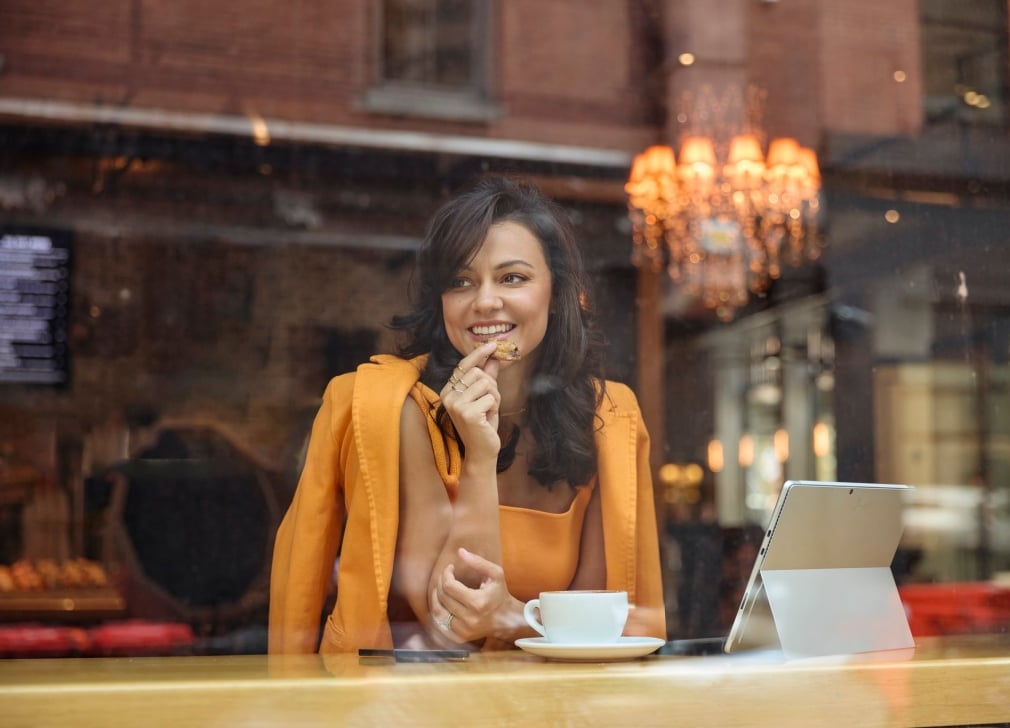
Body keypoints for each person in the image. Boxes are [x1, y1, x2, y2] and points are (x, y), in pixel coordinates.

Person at [268, 175, 666, 653]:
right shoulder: (399, 409)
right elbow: (451, 626)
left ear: (557, 292)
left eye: (512, 277)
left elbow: (603, 618)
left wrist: (514, 616)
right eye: (461, 281)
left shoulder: (608, 418)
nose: (485, 302)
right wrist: (479, 455)